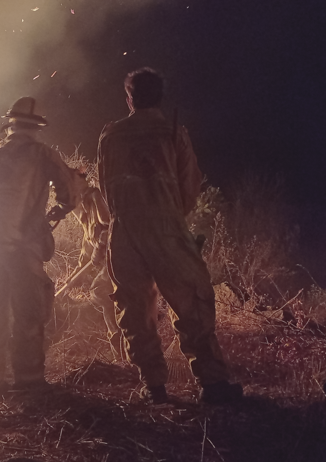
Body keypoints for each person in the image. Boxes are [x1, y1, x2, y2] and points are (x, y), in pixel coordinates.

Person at [97, 68, 242, 405]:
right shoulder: (172, 130)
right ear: (160, 97)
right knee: (193, 300)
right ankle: (213, 385)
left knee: (134, 309)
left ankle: (154, 387)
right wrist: (172, 216)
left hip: (124, 232)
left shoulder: (110, 135)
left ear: (129, 98)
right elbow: (189, 186)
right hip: (166, 227)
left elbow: (106, 188)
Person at [0, 96, 77, 405]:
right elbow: (70, 194)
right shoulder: (42, 154)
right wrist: (56, 211)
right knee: (28, 315)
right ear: (36, 128)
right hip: (22, 250)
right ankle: (29, 382)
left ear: (9, 125)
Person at [58, 169, 127, 362]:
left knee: (100, 289)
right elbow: (87, 241)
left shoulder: (95, 196)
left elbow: (109, 226)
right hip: (108, 259)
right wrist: (77, 273)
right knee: (108, 295)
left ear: (80, 181)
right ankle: (121, 351)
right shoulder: (80, 207)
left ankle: (124, 344)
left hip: (120, 255)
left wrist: (99, 251)